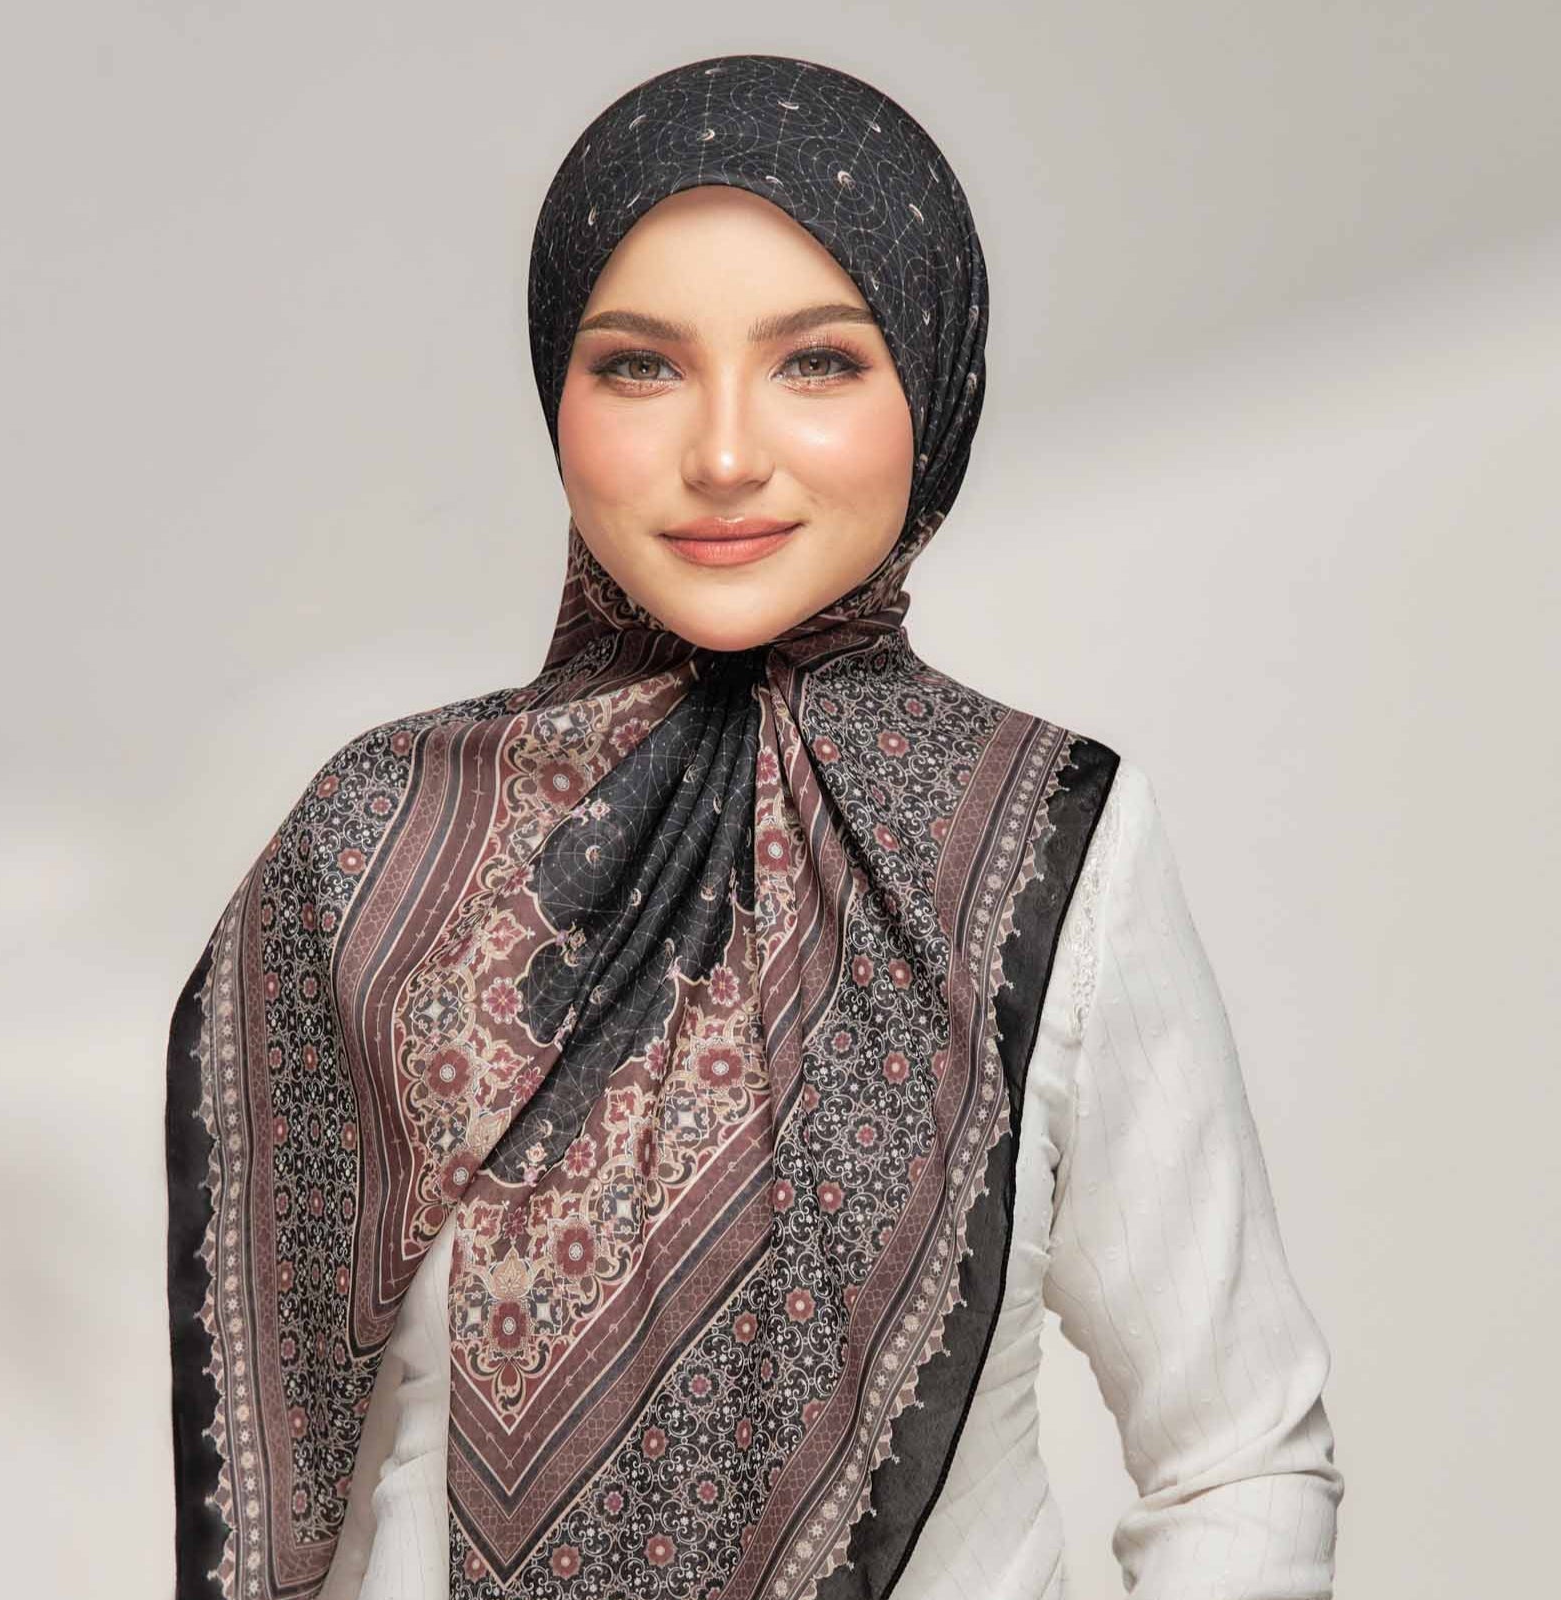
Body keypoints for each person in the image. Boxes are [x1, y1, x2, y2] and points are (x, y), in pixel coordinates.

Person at [165, 53, 1343, 1600]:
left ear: (934, 381)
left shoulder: (1046, 843)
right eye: (641, 367)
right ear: (558, 390)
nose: (724, 455)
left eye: (819, 362)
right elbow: (307, 1486)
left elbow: (1237, 1455)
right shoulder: (381, 842)